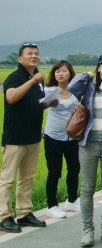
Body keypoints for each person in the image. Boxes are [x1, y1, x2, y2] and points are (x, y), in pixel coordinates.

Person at [69, 52, 102, 247]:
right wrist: (87, 75)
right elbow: (71, 88)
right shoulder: (89, 88)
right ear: (98, 68)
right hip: (89, 143)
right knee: (87, 187)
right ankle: (87, 230)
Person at [0, 43, 55, 232]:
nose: (34, 56)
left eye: (36, 53)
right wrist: (32, 82)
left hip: (33, 136)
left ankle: (24, 213)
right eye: (29, 53)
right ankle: (4, 216)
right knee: (7, 179)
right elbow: (11, 98)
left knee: (27, 177)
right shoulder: (14, 78)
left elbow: (34, 104)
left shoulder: (37, 79)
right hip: (15, 137)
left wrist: (49, 103)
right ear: (20, 59)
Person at [43, 60, 80, 220]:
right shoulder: (48, 90)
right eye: (57, 71)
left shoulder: (75, 92)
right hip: (53, 136)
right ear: (54, 74)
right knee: (54, 172)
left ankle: (72, 200)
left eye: (64, 71)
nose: (60, 73)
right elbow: (39, 108)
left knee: (74, 169)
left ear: (70, 74)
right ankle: (52, 205)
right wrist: (48, 103)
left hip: (71, 137)